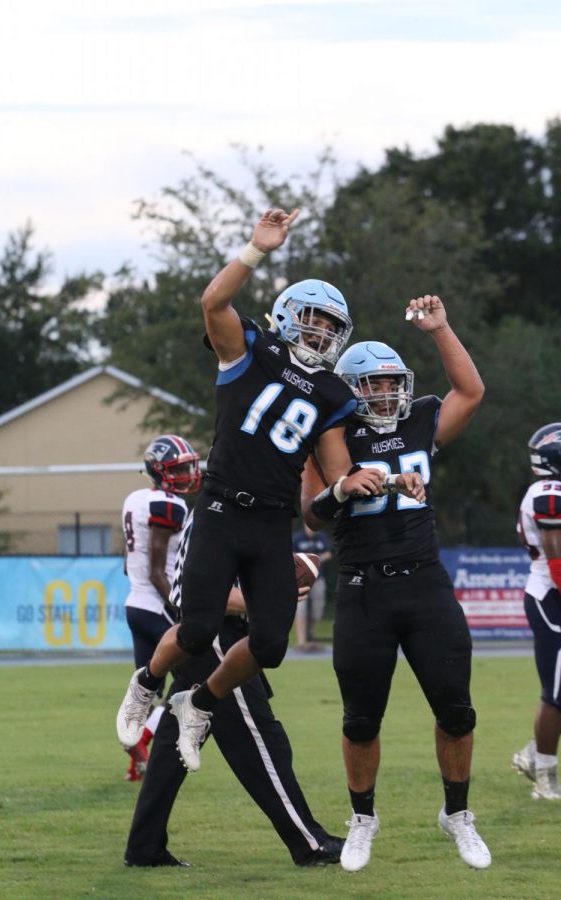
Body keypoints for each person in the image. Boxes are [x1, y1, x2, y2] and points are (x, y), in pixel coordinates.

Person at [116, 207, 424, 773]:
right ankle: (146, 683)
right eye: (314, 319)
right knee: (198, 626)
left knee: (271, 646)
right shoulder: (251, 348)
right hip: (220, 506)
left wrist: (362, 482)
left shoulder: (333, 392)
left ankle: (199, 701)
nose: (322, 331)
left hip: (270, 520)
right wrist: (257, 250)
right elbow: (213, 303)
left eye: (333, 326)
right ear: (287, 316)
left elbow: (335, 478)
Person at [301, 294, 491, 872]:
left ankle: (457, 814)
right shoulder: (330, 429)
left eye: (391, 383)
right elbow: (312, 510)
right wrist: (364, 486)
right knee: (360, 718)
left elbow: (472, 392)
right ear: (353, 389)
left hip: (425, 583)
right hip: (363, 587)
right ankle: (363, 818)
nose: (385, 394)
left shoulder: (418, 418)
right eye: (374, 385)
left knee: (456, 709)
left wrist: (440, 328)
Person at [124, 577, 345, 868]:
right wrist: (274, 595)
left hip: (201, 634)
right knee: (259, 739)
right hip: (217, 638)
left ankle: (144, 846)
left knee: (172, 742)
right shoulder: (214, 530)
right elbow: (210, 593)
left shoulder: (210, 531)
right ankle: (309, 842)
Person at [120, 434, 201, 780]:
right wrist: (181, 609)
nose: (186, 473)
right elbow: (157, 572)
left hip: (135, 606)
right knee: (191, 681)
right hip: (158, 606)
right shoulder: (171, 505)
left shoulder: (136, 498)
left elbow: (130, 566)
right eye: (178, 468)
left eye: (187, 466)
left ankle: (137, 751)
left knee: (146, 690)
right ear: (160, 471)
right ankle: (149, 738)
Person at [512, 422, 561, 799]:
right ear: (557, 458)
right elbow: (559, 568)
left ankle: (533, 754)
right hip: (551, 598)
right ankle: (546, 781)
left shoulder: (559, 492)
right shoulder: (555, 493)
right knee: (555, 691)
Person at [291, 523, 332, 650]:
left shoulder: (321, 538)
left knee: (317, 610)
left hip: (318, 580)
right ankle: (301, 642)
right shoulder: (297, 538)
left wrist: (316, 559)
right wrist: (305, 561)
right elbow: (290, 554)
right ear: (304, 525)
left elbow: (328, 553)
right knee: (300, 609)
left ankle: (311, 636)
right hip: (300, 580)